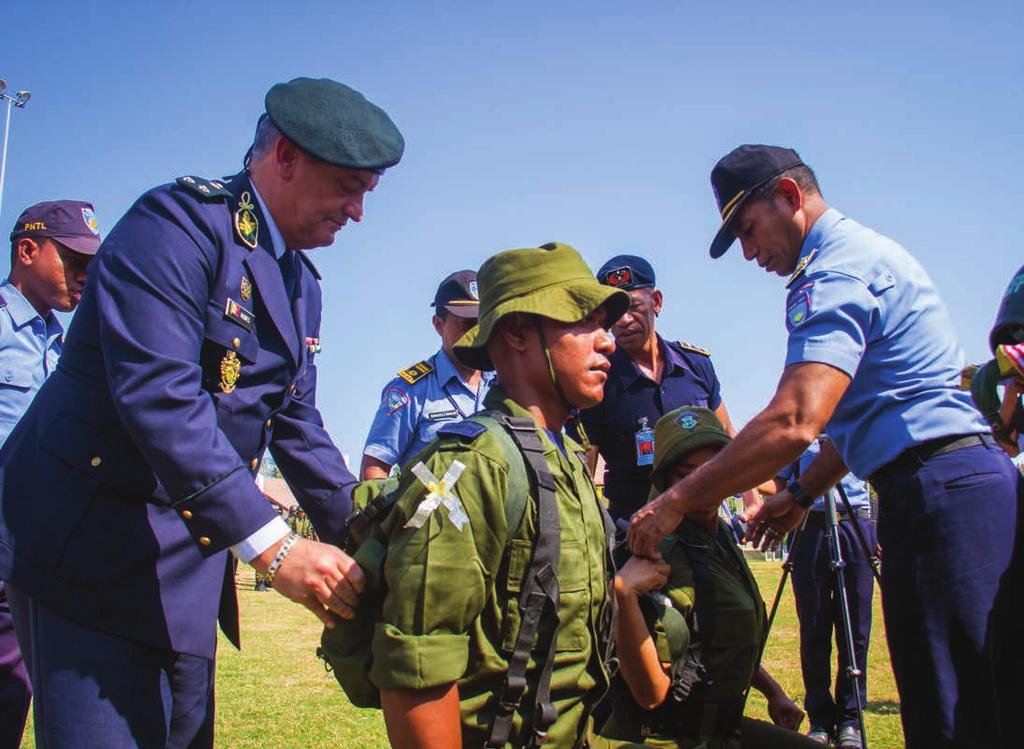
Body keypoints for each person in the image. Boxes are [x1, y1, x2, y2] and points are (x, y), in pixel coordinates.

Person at [0, 77, 404, 747]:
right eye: (349, 186)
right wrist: (276, 549)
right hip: (88, 557)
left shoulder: (300, 284)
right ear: (285, 159)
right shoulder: (176, 227)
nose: (358, 210)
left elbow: (297, 426)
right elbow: (159, 395)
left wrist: (371, 537)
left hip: (183, 570)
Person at [628, 144, 1020, 748]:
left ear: (790, 196)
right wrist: (805, 491)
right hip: (954, 483)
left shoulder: (831, 272)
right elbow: (874, 409)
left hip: (940, 491)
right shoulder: (865, 253)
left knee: (955, 713)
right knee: (978, 700)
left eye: (750, 231)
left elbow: (795, 419)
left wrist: (676, 498)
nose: (751, 253)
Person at [373, 242, 628, 747]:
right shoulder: (473, 465)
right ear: (516, 332)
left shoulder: (567, 457)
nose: (609, 342)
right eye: (584, 320)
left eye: (608, 324)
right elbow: (418, 670)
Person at [596, 406, 817, 749]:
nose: (699, 485)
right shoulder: (662, 551)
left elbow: (710, 642)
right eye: (685, 474)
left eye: (710, 471)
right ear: (665, 479)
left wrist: (773, 692)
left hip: (719, 729)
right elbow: (651, 694)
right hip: (670, 737)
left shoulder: (720, 537)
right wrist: (624, 596)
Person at [0, 200, 100, 748]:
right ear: (27, 250)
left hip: (28, 554)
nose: (85, 276)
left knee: (13, 699)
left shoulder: (66, 347)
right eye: (73, 260)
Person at [573, 255, 762, 522]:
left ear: (657, 302)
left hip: (702, 523)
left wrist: (752, 500)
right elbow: (584, 468)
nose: (624, 321)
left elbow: (727, 435)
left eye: (634, 307)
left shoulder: (695, 365)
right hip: (634, 529)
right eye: (614, 314)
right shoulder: (598, 379)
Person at [775, 438, 875, 748]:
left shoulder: (855, 419)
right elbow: (780, 482)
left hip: (854, 522)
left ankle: (850, 718)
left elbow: (878, 474)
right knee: (814, 626)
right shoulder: (801, 429)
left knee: (855, 627)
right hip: (809, 526)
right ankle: (819, 716)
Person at [361, 269, 493, 479]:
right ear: (439, 325)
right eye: (467, 324)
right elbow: (375, 469)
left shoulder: (505, 383)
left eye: (482, 322)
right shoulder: (411, 391)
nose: (476, 332)